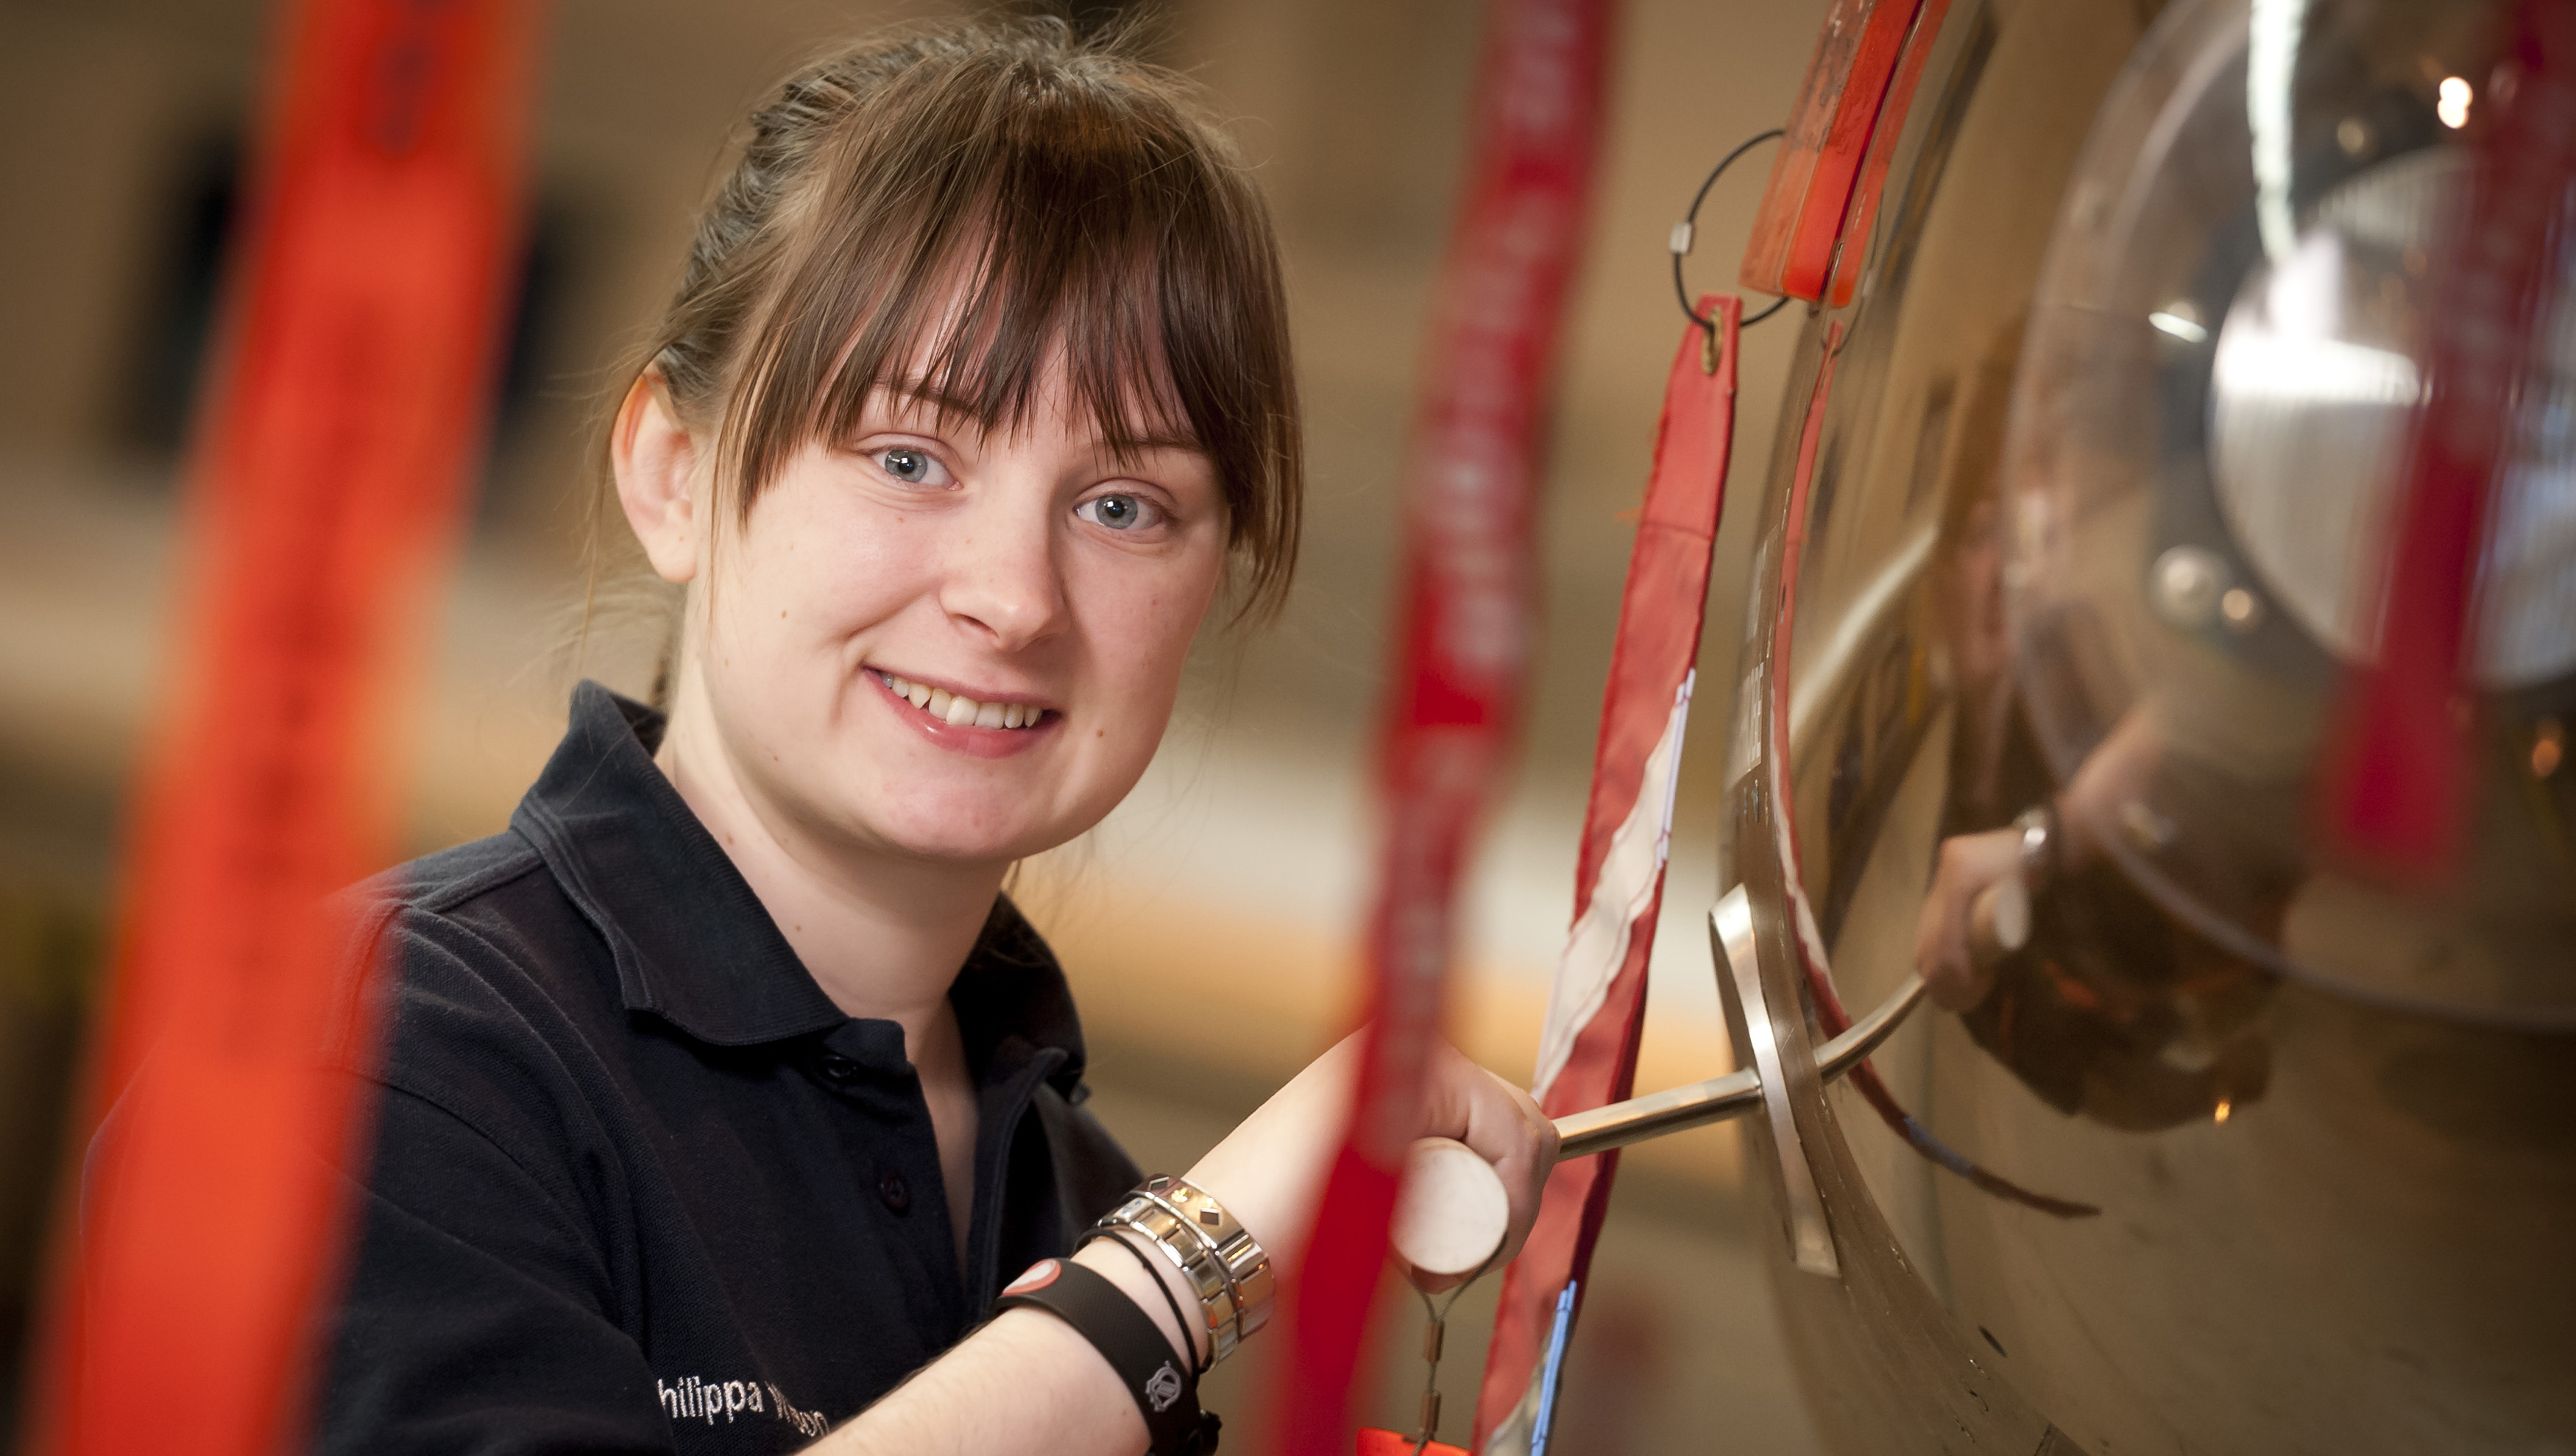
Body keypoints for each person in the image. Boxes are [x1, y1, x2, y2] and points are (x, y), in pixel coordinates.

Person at [307, 20, 1554, 1455]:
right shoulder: (389, 1041)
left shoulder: (1066, 1180)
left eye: (1123, 505)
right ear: (672, 471)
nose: (1014, 598)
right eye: (911, 457)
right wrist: (1173, 1275)